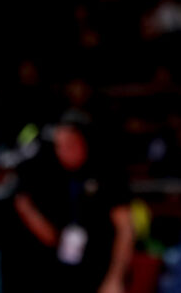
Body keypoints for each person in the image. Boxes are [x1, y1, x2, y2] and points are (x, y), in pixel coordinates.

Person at [12, 121, 133, 292]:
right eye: (59, 146)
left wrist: (115, 277)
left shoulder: (107, 172)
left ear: (82, 141)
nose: (63, 152)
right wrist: (27, 211)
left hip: (102, 269)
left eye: (69, 144)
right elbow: (51, 237)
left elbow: (125, 229)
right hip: (65, 273)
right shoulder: (52, 176)